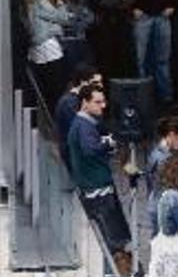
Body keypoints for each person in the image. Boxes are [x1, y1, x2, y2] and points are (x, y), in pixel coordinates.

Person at [67, 83, 133, 276]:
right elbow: (90, 149)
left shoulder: (84, 124)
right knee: (112, 241)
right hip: (98, 192)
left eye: (104, 101)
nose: (103, 106)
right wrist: (108, 143)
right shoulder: (83, 126)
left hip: (97, 188)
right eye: (98, 102)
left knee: (110, 241)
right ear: (84, 103)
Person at [26, 0, 75, 109]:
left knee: (52, 90)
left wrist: (54, 27)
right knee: (55, 91)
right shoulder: (40, 0)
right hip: (46, 49)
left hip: (45, 49)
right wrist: (60, 2)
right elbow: (64, 18)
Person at [54, 64, 102, 168]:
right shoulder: (70, 103)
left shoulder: (76, 100)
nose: (99, 86)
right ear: (83, 82)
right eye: (95, 83)